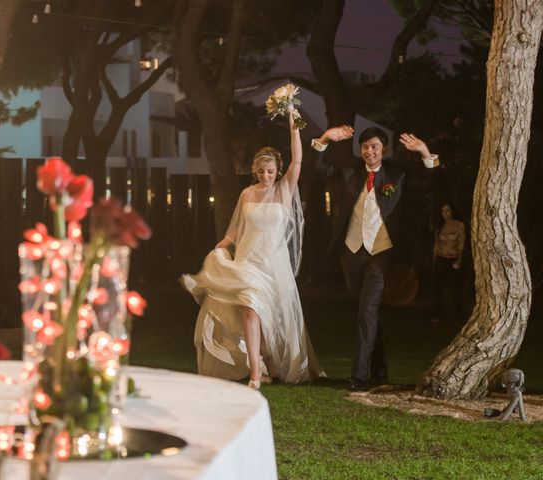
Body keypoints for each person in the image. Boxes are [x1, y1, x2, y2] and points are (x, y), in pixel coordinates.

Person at [182, 110, 350, 389]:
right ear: (254, 171)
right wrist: (221, 247)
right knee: (250, 310)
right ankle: (255, 374)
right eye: (260, 171)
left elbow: (298, 159)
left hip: (274, 264)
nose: (265, 176)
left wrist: (294, 123)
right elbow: (235, 229)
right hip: (248, 261)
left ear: (278, 171)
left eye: (270, 171)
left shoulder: (284, 190)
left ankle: (268, 360)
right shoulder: (247, 193)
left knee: (271, 318)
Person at [311, 126, 440, 391]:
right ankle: (380, 371)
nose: (370, 152)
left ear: (384, 150)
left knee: (367, 310)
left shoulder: (396, 175)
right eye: (365, 147)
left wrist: (424, 151)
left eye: (375, 147)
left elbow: (433, 183)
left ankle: (359, 377)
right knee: (366, 313)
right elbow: (317, 168)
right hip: (351, 253)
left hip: (381, 253)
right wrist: (325, 139)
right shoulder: (350, 173)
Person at [432, 203, 465, 325]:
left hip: (453, 259)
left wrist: (459, 260)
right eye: (442, 211)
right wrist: (434, 261)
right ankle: (437, 315)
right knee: (437, 288)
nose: (445, 214)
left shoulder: (459, 225)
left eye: (447, 211)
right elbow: (436, 246)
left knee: (456, 288)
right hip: (441, 259)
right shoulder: (440, 226)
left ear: (452, 212)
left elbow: (461, 243)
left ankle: (458, 316)